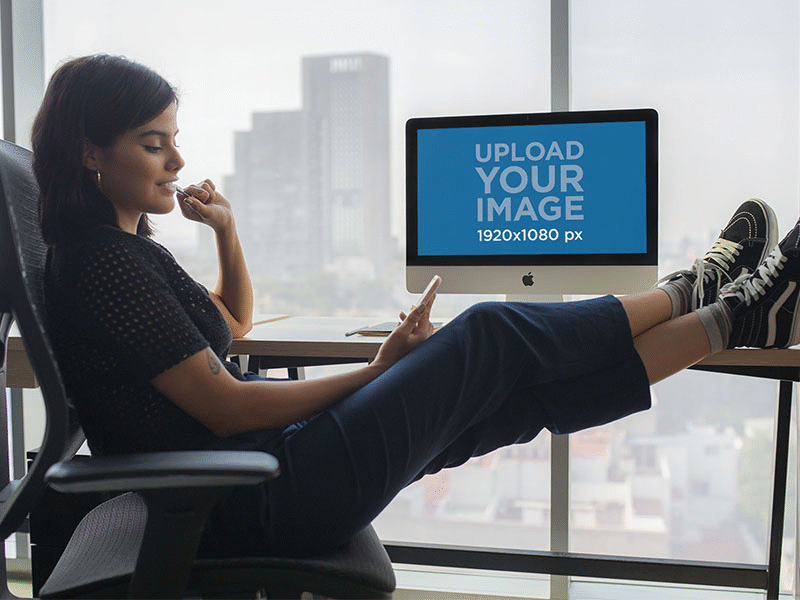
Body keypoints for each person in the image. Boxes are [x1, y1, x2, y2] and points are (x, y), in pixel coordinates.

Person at [32, 54, 800, 558]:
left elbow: (229, 329)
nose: (177, 161)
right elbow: (229, 407)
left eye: (174, 139)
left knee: (510, 399)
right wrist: (378, 369)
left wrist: (227, 232)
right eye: (153, 143)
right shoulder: (101, 265)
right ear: (90, 153)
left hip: (258, 468)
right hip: (252, 493)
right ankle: (689, 290)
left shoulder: (128, 252)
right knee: (492, 331)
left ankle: (734, 319)